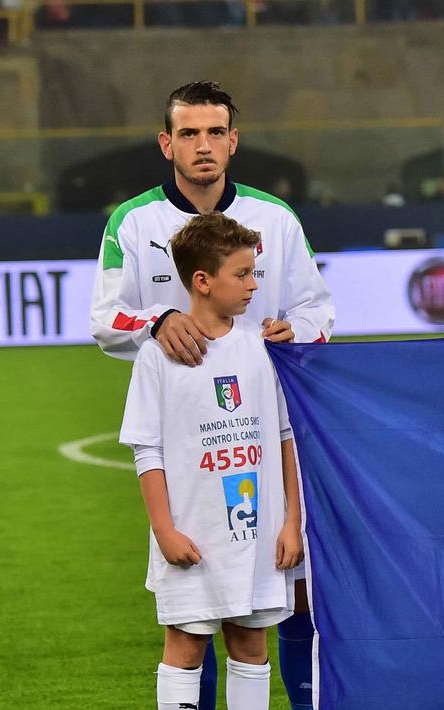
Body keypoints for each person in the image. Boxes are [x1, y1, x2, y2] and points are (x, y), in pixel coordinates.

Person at [90, 80, 330, 710]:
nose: (203, 145)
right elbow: (103, 321)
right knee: (192, 611)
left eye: (215, 132)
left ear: (233, 141)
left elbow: (318, 307)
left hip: (265, 421)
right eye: (189, 133)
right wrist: (155, 321)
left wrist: (294, 331)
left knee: (287, 592)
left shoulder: (275, 220)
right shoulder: (132, 222)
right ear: (167, 143)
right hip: (190, 436)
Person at [120, 213, 304, 710]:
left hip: (260, 533)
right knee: (185, 643)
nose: (253, 285)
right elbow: (147, 449)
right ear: (202, 281)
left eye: (254, 273)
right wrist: (164, 531)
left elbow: (285, 435)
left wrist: (292, 521)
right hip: (192, 533)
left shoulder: (263, 350)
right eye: (242, 274)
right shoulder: (157, 358)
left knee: (250, 643)